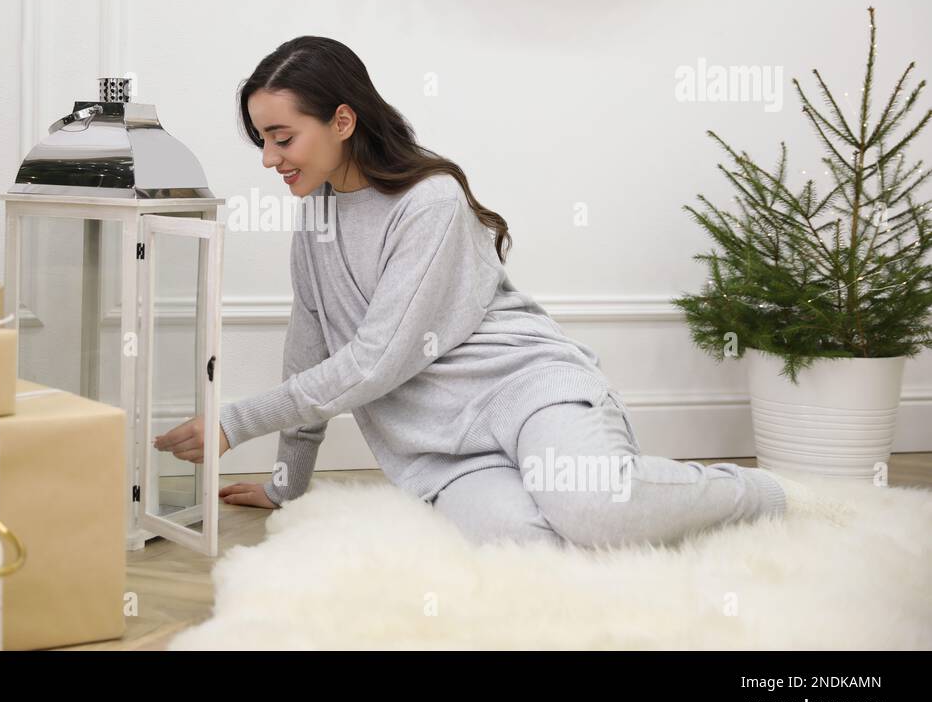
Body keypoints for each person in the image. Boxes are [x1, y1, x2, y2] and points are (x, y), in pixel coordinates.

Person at [153, 36, 832, 551]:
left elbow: (374, 359)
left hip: (524, 389)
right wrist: (286, 481)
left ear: (342, 120)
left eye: (281, 137)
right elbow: (311, 340)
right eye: (262, 142)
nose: (270, 159)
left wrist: (234, 420)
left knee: (594, 510)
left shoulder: (429, 201)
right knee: (532, 555)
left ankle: (760, 495)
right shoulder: (317, 213)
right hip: (441, 450)